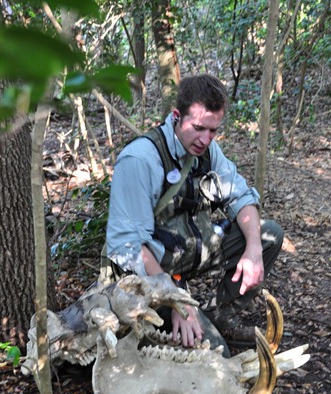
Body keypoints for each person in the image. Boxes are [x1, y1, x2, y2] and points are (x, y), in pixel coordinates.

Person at [105, 74, 283, 351]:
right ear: (177, 116)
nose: (205, 139)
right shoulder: (140, 159)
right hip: (148, 275)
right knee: (216, 355)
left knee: (268, 235)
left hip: (189, 253)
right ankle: (189, 327)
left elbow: (241, 196)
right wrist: (175, 300)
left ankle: (221, 316)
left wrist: (254, 251)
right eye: (199, 128)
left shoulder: (208, 151)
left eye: (213, 130)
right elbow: (129, 245)